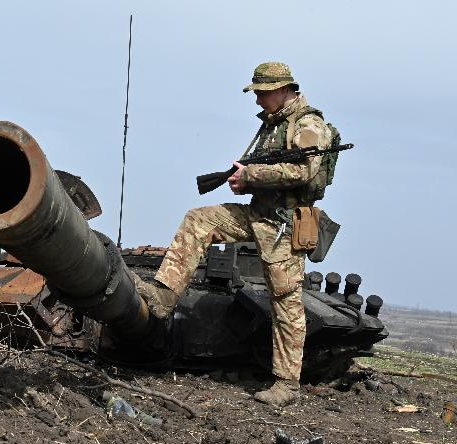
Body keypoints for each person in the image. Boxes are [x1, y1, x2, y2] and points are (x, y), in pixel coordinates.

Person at [134, 62, 334, 407]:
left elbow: (304, 169)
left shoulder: (308, 124)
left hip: (283, 225)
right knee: (200, 219)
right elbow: (260, 173)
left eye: (261, 93)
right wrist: (243, 179)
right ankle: (165, 297)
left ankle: (286, 384)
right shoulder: (272, 125)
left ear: (283, 89)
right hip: (257, 214)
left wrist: (253, 176)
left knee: (285, 300)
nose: (257, 100)